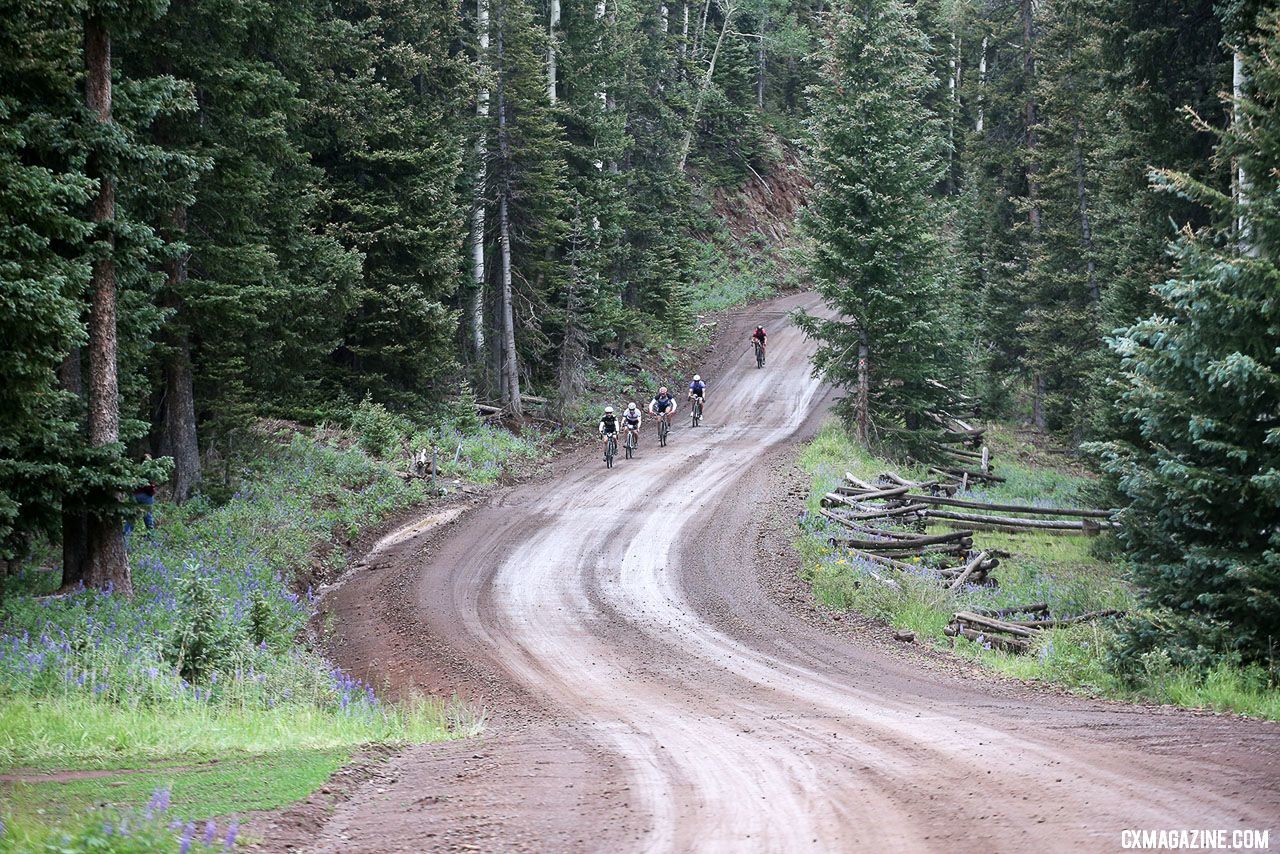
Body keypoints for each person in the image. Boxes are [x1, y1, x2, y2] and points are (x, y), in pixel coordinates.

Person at [125, 454, 157, 538]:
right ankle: (151, 538)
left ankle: (126, 536)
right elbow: (150, 488)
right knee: (148, 517)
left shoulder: (136, 471)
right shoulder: (150, 472)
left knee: (131, 518)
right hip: (146, 496)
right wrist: (152, 491)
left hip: (134, 495)